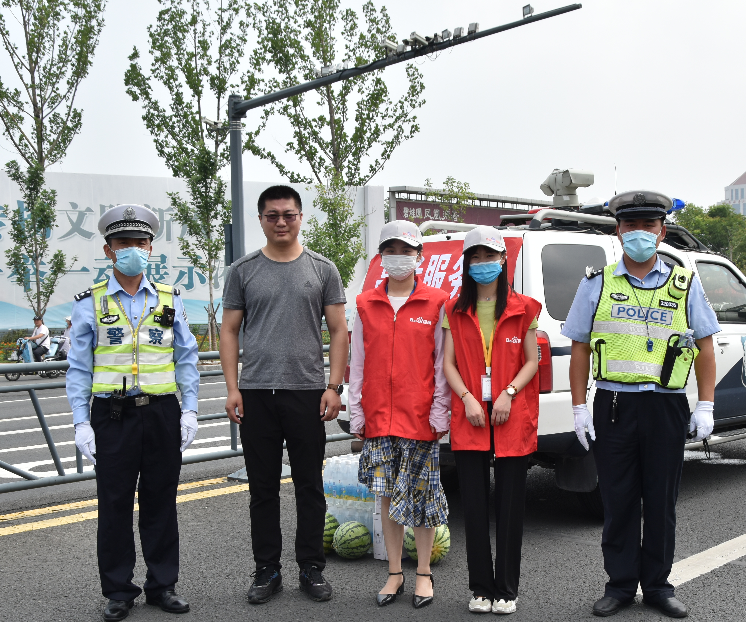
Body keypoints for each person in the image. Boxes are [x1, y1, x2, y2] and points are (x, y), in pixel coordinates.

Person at [561, 191, 719, 619]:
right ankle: (619, 585)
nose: (639, 234)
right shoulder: (597, 283)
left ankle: (658, 587)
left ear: (661, 232)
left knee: (661, 502)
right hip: (614, 405)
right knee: (619, 501)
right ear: (618, 232)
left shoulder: (685, 282)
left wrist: (705, 404)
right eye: (631, 226)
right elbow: (579, 349)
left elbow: (705, 346)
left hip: (666, 407)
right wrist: (578, 407)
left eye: (648, 226)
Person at [66, 204, 200, 622]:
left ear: (151, 248)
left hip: (161, 412)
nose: (133, 250)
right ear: (109, 250)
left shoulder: (170, 299)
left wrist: (190, 410)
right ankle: (119, 591)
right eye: (123, 243)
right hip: (112, 416)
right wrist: (81, 421)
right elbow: (79, 368)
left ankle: (163, 585)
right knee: (115, 505)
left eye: (140, 243)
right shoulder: (91, 303)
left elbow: (186, 358)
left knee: (161, 502)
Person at [220, 184, 348, 605]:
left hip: (307, 392)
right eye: (272, 215)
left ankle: (311, 568)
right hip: (256, 392)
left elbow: (339, 331)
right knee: (262, 489)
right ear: (260, 219)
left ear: (300, 217)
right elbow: (229, 331)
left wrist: (333, 386)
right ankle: (267, 570)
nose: (280, 222)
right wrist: (233, 388)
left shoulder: (322, 269)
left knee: (310, 485)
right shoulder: (242, 270)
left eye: (288, 214)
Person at [348, 220, 450, 609]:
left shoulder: (437, 302)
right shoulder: (365, 303)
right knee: (387, 496)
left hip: (420, 416)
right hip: (378, 416)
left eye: (406, 250)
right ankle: (394, 572)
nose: (398, 257)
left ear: (419, 255)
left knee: (422, 498)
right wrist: (356, 410)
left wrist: (440, 410)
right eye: (391, 250)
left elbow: (442, 364)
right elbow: (358, 362)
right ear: (380, 256)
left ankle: (423, 573)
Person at [441, 226, 541, 615]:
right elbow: (448, 363)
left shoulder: (524, 308)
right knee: (474, 506)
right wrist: (467, 398)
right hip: (471, 415)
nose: (483, 263)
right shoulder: (454, 309)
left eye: (490, 256)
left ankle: (507, 590)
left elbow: (531, 361)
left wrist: (508, 393)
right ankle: (481, 587)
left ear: (503, 260)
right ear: (467, 263)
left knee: (510, 507)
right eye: (475, 257)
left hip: (509, 413)